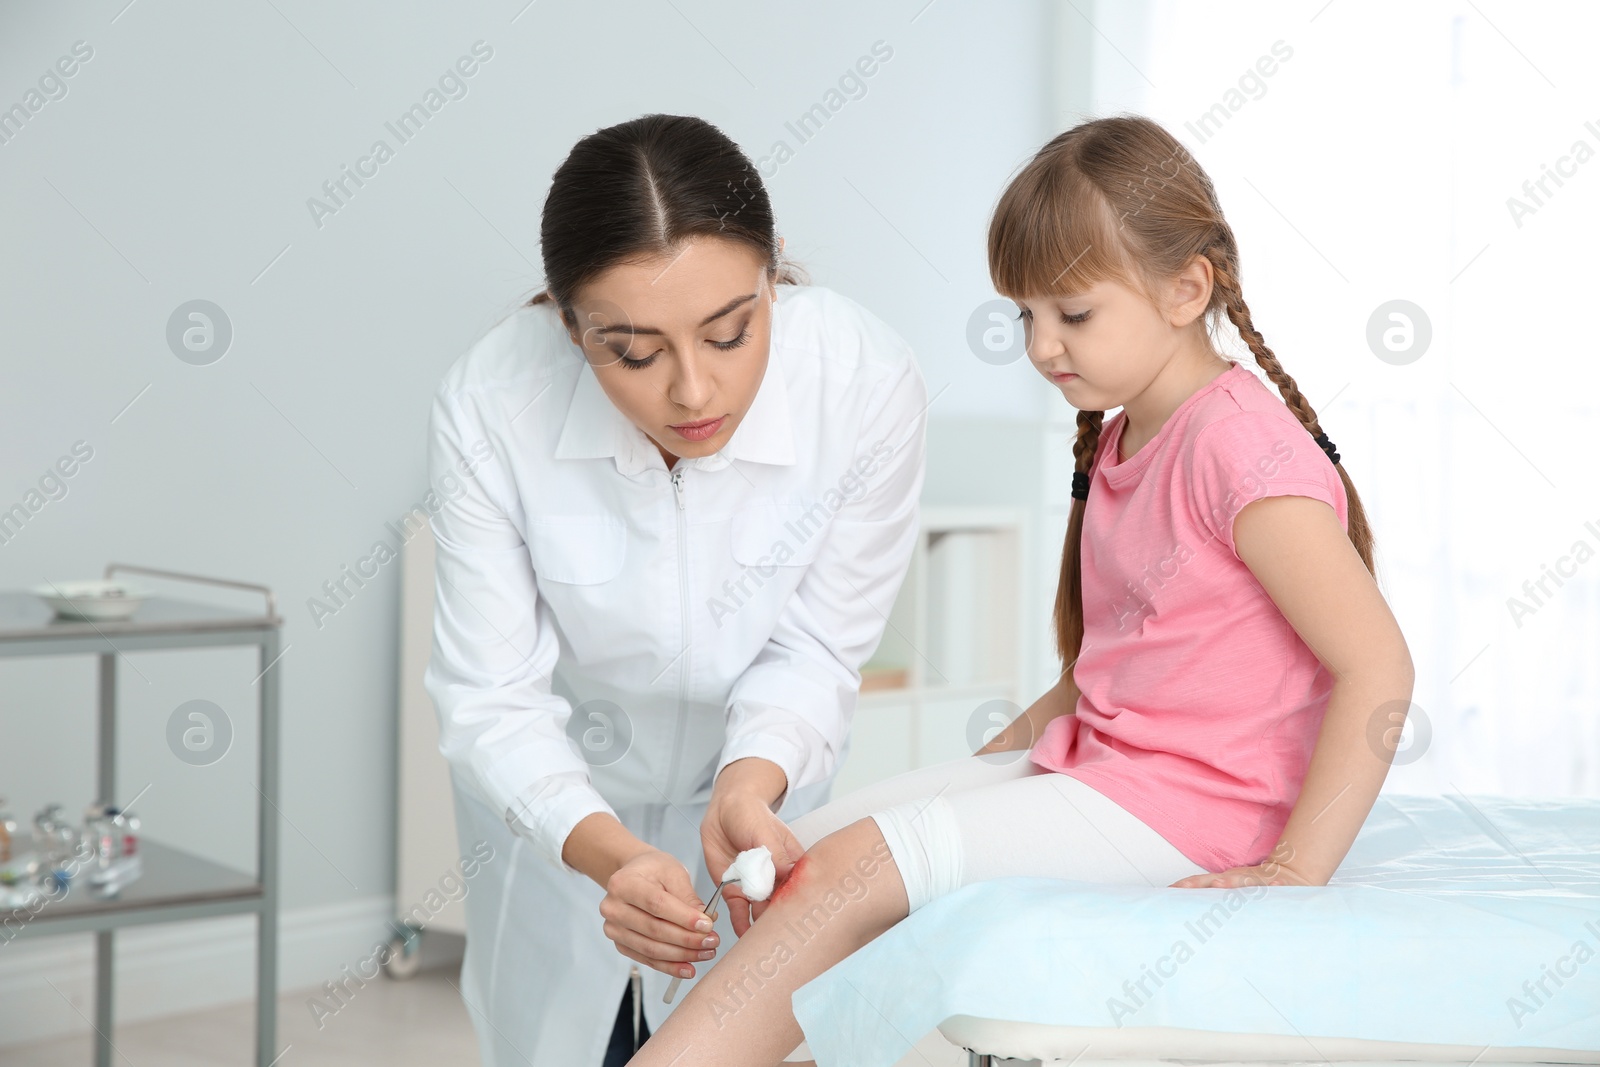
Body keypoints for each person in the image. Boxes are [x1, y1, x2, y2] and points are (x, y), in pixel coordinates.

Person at [625, 113, 1416, 1066]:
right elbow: (1108, 672)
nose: (1043, 347)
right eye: (1025, 317)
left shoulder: (1237, 447)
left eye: (1072, 315)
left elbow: (1379, 668)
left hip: (1203, 810)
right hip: (1117, 776)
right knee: (802, 853)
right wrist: (980, 779)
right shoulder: (1130, 434)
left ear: (1186, 287)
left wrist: (1295, 867)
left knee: (849, 872)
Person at [422, 113, 928, 1065]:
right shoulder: (493, 401)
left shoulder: (864, 382)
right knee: (559, 1044)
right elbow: (490, 695)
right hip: (559, 802)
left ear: (774, 274)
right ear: (568, 326)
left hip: (755, 796)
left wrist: (753, 773)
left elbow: (817, 647)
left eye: (731, 332)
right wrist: (605, 851)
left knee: (739, 1038)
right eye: (636, 353)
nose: (695, 391)